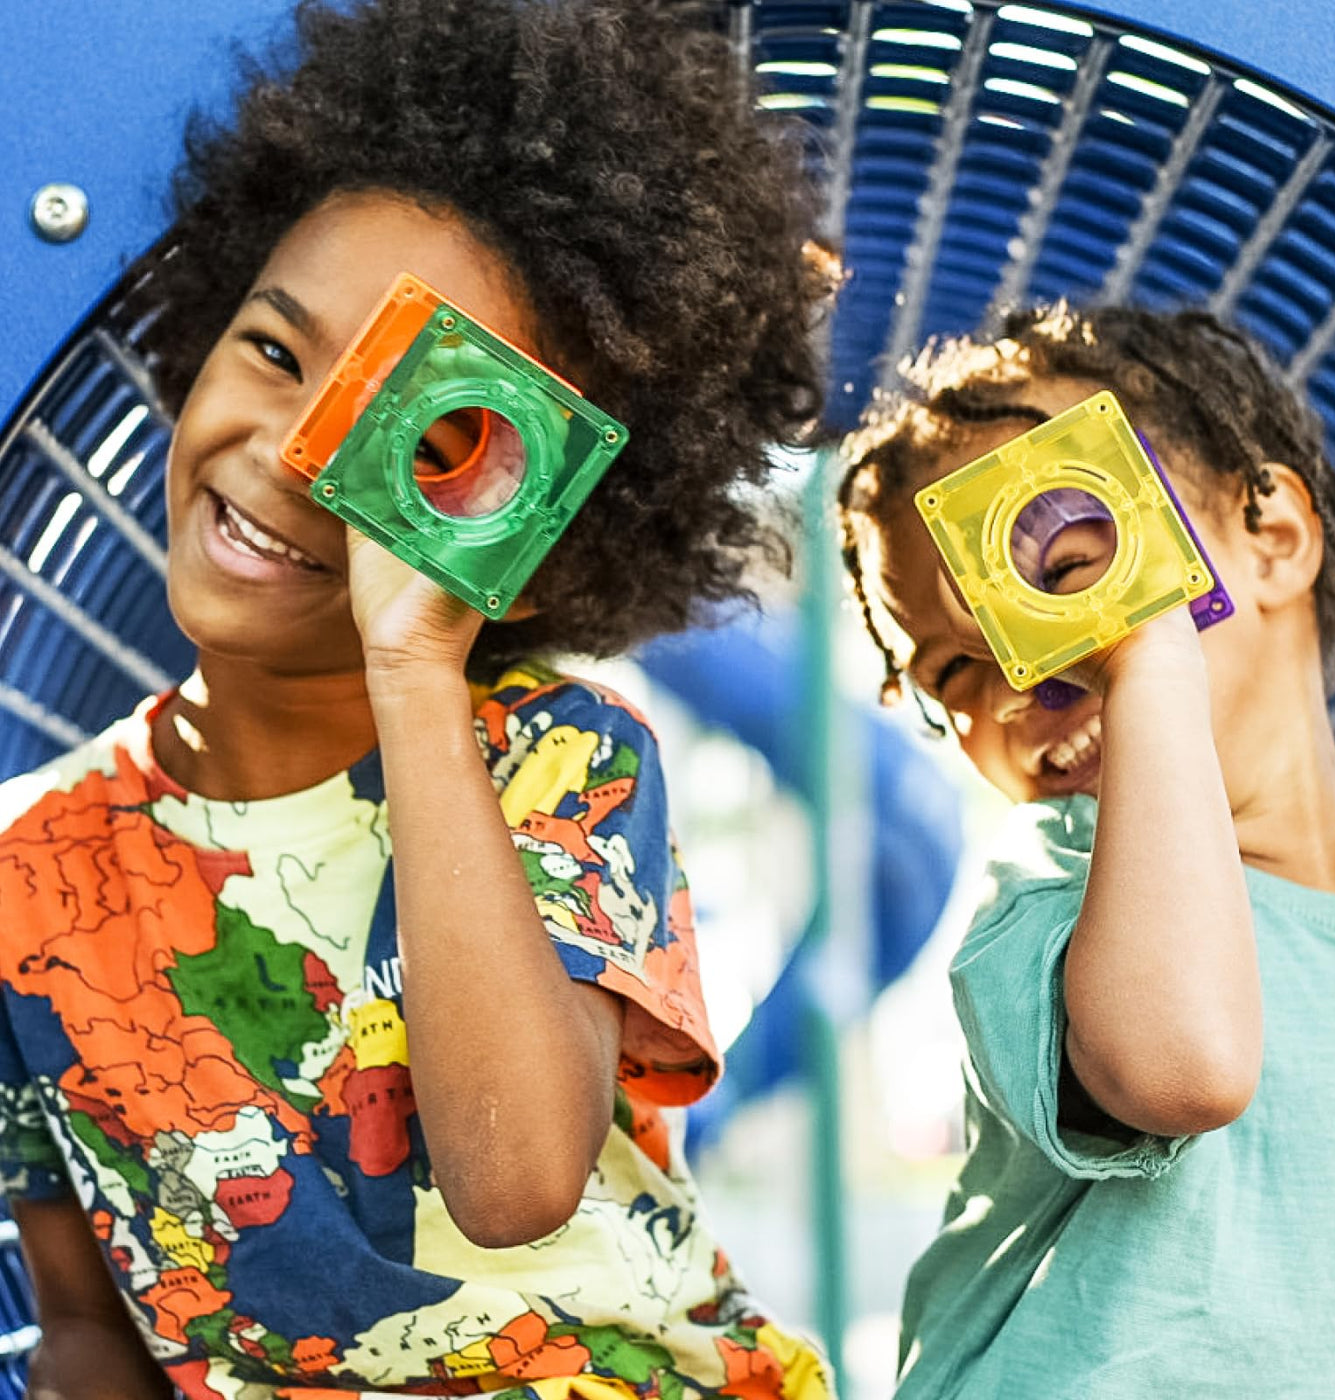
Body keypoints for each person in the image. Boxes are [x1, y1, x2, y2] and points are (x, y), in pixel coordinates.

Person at [0, 1, 835, 1395]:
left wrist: (412, 664)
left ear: (540, 533)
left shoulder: (557, 759)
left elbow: (514, 1177)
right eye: (273, 350)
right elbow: (90, 1323)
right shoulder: (25, 872)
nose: (293, 456)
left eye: (427, 443)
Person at [837, 304, 1335, 1396]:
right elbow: (1174, 1066)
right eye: (952, 673)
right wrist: (1147, 658)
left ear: (1272, 536)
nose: (1018, 678)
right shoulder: (1058, 873)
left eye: (1062, 567)